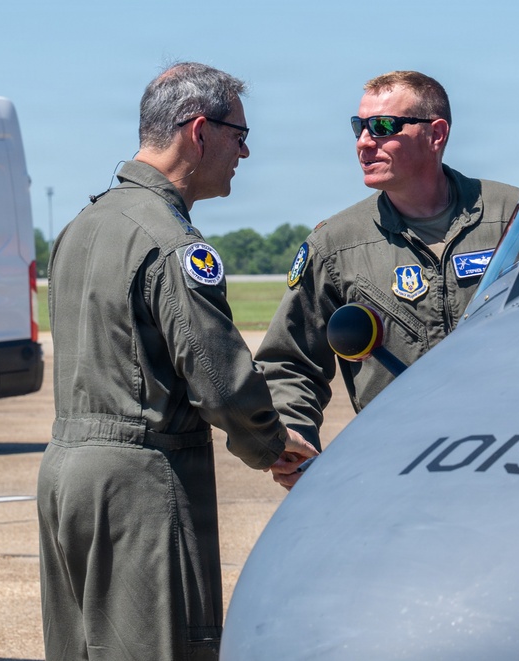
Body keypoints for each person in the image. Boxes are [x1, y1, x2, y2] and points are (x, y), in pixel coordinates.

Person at [36, 62, 317, 661]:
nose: (244, 152)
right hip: (140, 484)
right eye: (240, 135)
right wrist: (272, 443)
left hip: (64, 473)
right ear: (199, 131)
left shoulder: (80, 227)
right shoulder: (171, 243)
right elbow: (218, 380)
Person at [257, 70, 519, 488]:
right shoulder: (336, 244)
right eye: (358, 127)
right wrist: (293, 438)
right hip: (399, 469)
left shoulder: (517, 217)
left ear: (436, 134)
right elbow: (290, 361)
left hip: (516, 455)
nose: (364, 142)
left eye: (382, 127)